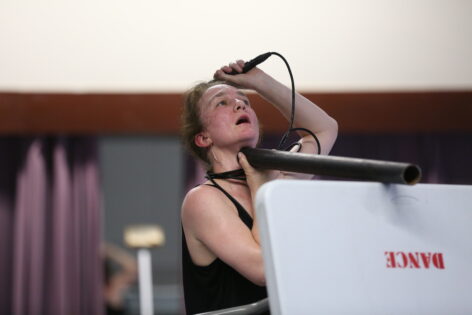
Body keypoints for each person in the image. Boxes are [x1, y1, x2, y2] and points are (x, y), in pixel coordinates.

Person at [180, 59, 338, 314]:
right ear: (203, 137)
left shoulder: (274, 180)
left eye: (245, 100)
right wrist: (261, 190)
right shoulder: (202, 200)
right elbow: (263, 270)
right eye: (222, 102)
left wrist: (261, 82)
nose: (240, 103)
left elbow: (324, 129)